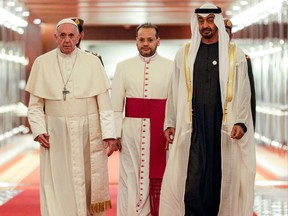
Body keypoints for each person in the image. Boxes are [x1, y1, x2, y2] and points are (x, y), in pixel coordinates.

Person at [159, 3, 256, 216]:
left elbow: (243, 92)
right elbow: (174, 91)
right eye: (201, 21)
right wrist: (170, 122)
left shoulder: (234, 54)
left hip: (223, 129)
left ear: (218, 23)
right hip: (193, 129)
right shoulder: (184, 54)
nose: (206, 25)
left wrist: (240, 121)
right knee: (192, 183)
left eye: (210, 20)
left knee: (219, 183)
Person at [25, 18, 117, 216]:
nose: (67, 40)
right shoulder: (42, 63)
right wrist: (39, 129)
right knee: (58, 181)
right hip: (56, 134)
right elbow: (34, 106)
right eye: (63, 35)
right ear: (55, 37)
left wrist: (109, 134)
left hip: (87, 131)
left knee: (88, 180)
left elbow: (105, 104)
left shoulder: (92, 62)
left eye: (71, 35)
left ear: (79, 37)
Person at [111, 23, 173, 216]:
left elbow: (175, 103)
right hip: (130, 132)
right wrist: (115, 134)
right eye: (141, 40)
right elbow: (115, 105)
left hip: (160, 132)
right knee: (130, 176)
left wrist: (172, 127)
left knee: (159, 176)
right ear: (136, 41)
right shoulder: (123, 67)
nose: (145, 44)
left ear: (158, 41)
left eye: (150, 40)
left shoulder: (171, 67)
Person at [224, 18, 256, 129]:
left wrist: (249, 126)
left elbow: (249, 95)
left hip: (235, 116)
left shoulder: (241, 58)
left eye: (226, 32)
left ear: (231, 36)